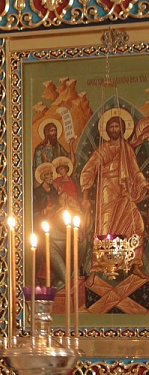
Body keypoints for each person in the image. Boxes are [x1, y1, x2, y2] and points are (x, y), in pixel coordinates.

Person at [80, 109, 149, 275]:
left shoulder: (126, 149)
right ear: (107, 130)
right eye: (111, 127)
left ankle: (135, 264)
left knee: (137, 225)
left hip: (124, 192)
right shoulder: (102, 150)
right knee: (104, 227)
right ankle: (96, 268)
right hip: (107, 191)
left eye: (117, 126)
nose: (114, 130)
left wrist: (143, 183)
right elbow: (89, 169)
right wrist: (85, 196)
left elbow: (134, 169)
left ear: (122, 129)